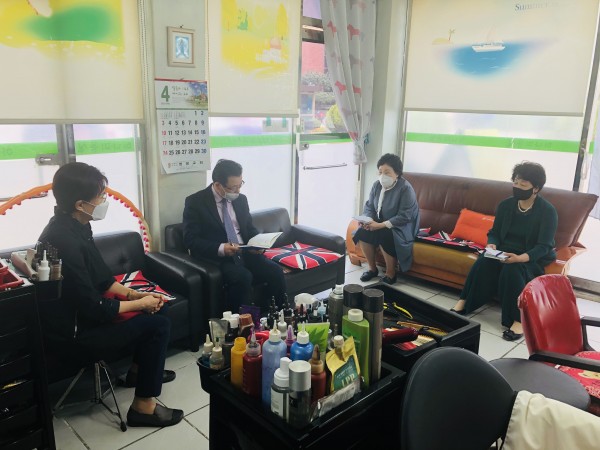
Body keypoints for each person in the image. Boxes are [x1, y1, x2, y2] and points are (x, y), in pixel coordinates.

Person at [38, 162, 183, 428]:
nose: (104, 201)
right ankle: (143, 408)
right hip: (74, 334)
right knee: (158, 325)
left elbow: (102, 277)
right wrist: (139, 304)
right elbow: (94, 307)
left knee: (158, 306)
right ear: (81, 204)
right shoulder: (62, 240)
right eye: (100, 197)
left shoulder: (77, 224)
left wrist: (133, 295)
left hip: (87, 313)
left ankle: (138, 373)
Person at [451, 162, 558, 341]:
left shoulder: (547, 211)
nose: (517, 187)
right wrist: (492, 245)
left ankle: (518, 320)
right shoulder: (506, 205)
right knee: (484, 260)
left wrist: (521, 258)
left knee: (512, 269)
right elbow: (494, 233)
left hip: (530, 257)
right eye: (515, 182)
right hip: (504, 252)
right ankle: (464, 302)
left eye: (523, 184)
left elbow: (544, 246)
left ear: (536, 188)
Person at [183, 159, 287, 312]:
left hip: (245, 251)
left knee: (275, 271)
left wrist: (257, 243)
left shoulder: (241, 200)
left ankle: (278, 315)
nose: (238, 191)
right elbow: (190, 240)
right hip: (218, 258)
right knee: (243, 277)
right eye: (233, 187)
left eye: (240, 185)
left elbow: (249, 228)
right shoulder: (195, 202)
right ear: (218, 185)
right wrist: (221, 248)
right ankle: (242, 324)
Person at [353, 153, 420, 284]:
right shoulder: (376, 185)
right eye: (380, 172)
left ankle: (391, 273)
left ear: (397, 173)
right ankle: (372, 269)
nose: (382, 176)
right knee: (363, 231)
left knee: (385, 233)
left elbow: (405, 216)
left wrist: (380, 225)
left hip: (402, 226)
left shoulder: (405, 189)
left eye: (387, 172)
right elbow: (369, 206)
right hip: (380, 223)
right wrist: (367, 220)